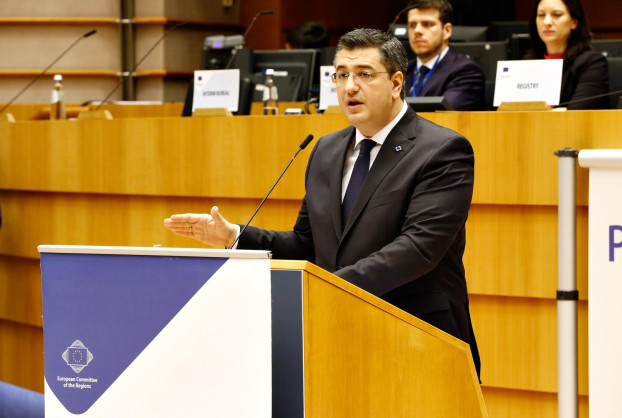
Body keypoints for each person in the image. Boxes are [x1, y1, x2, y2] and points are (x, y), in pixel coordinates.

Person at [165, 28, 480, 378]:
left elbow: (418, 249)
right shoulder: (326, 150)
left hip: (418, 336)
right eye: (341, 75)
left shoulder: (441, 150)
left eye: (363, 74)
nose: (349, 87)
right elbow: (307, 243)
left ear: (395, 83)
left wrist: (328, 287)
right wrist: (235, 236)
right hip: (336, 339)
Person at [526, 0, 609, 109]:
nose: (547, 22)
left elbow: (574, 114)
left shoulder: (592, 63)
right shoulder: (528, 64)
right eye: (541, 15)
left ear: (574, 22)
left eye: (557, 14)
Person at [404, 0, 485, 111]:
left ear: (447, 30)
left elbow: (444, 118)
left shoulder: (466, 72)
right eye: (412, 25)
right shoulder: (400, 71)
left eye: (427, 24)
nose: (417, 31)